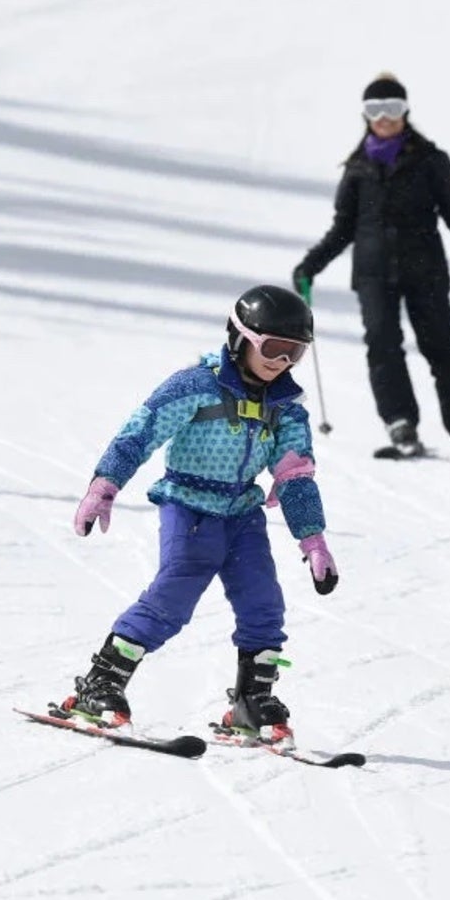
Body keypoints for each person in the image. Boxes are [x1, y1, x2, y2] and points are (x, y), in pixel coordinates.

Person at [64, 285, 339, 749]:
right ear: (240, 338)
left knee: (264, 603)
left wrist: (313, 539)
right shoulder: (196, 385)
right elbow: (140, 433)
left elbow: (295, 475)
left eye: (295, 352)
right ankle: (100, 685)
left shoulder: (286, 406)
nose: (282, 361)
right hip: (189, 504)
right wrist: (103, 487)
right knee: (174, 596)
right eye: (272, 348)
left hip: (242, 513)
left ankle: (252, 701)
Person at [292, 73, 450, 464]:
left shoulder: (431, 160)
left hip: (425, 269)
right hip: (373, 274)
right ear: (365, 116)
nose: (384, 118)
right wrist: (311, 264)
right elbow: (343, 227)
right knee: (383, 346)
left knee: (441, 346)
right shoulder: (357, 168)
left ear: (406, 112)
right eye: (375, 110)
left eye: (392, 109)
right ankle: (400, 423)